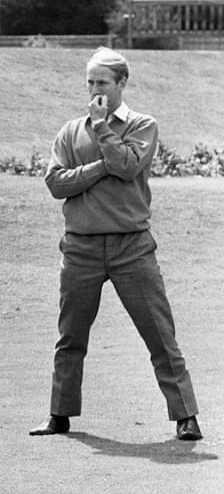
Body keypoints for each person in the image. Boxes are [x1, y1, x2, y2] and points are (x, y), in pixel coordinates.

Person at [30, 48, 202, 441]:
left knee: (159, 334)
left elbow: (126, 165)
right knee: (70, 337)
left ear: (122, 83)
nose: (95, 90)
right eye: (90, 82)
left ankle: (186, 417)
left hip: (132, 247)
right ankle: (59, 415)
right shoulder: (70, 131)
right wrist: (99, 166)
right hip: (80, 249)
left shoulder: (143, 125)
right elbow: (57, 184)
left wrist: (103, 130)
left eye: (103, 83)